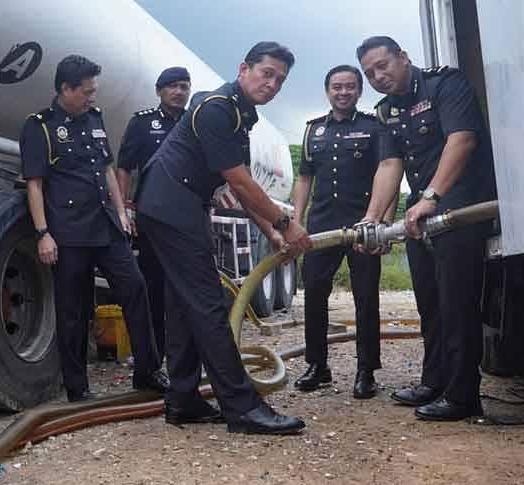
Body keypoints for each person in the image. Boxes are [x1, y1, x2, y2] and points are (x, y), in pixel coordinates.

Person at [136, 41, 311, 435]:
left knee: (183, 305)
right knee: (209, 304)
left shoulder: (239, 113)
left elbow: (241, 185)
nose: (272, 84)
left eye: (280, 80)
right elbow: (241, 183)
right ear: (244, 68)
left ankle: (183, 400)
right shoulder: (218, 108)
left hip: (174, 204)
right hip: (171, 203)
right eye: (267, 74)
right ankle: (243, 408)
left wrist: (270, 233)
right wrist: (287, 225)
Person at [357, 36, 496, 421]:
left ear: (403, 57)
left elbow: (462, 140)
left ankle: (463, 396)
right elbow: (390, 165)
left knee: (456, 305)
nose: (378, 76)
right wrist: (372, 218)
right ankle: (434, 381)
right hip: (419, 214)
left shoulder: (445, 84)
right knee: (430, 304)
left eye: (383, 65)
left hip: (460, 207)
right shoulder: (386, 111)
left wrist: (433, 195)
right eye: (370, 73)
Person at [20, 54, 169, 402]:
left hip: (107, 227)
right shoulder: (40, 126)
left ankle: (147, 371)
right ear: (66, 89)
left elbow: (107, 169)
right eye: (87, 91)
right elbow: (35, 184)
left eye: (93, 91)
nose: (92, 97)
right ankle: (77, 388)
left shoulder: (95, 118)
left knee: (136, 288)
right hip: (69, 232)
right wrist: (43, 234)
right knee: (73, 310)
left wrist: (121, 212)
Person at [291, 65, 401, 399]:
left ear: (359, 91)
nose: (343, 92)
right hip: (321, 226)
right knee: (314, 294)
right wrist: (296, 220)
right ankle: (317, 366)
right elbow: (304, 179)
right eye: (337, 87)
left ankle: (366, 371)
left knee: (365, 297)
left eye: (350, 87)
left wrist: (384, 224)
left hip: (363, 226)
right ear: (328, 91)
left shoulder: (374, 127)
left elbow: (389, 172)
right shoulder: (313, 131)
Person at [117, 66, 192, 356]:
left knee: (185, 289)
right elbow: (124, 167)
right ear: (159, 91)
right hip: (151, 217)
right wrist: (124, 208)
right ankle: (155, 354)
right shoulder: (142, 123)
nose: (179, 92)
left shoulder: (194, 121)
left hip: (187, 217)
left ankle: (184, 355)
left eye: (184, 86)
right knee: (153, 286)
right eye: (172, 86)